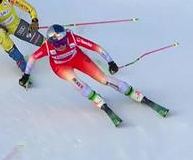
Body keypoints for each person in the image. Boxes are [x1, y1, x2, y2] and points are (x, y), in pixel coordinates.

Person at [19, 24, 169, 121]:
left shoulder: (72, 38)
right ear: (52, 43)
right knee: (77, 83)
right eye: (58, 44)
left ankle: (131, 92)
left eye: (63, 42)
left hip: (78, 58)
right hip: (60, 67)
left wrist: (111, 62)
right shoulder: (47, 47)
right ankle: (95, 98)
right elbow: (32, 58)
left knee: (103, 79)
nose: (62, 46)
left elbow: (96, 47)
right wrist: (26, 75)